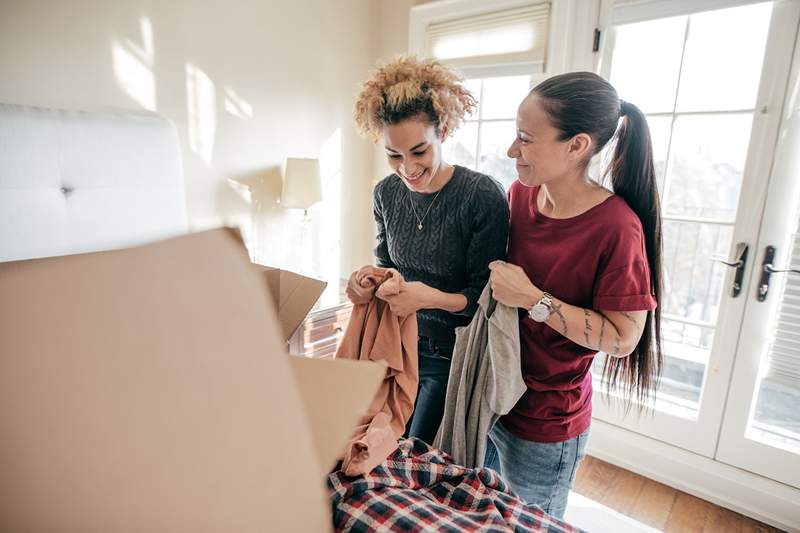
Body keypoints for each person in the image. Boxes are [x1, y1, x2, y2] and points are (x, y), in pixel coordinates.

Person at [485, 71, 663, 520]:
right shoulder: (519, 197)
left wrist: (533, 299)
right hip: (493, 397)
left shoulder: (617, 229)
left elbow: (624, 339)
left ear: (577, 145)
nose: (512, 151)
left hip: (546, 423)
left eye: (526, 139)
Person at [346, 56, 509, 445]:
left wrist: (426, 299)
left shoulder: (480, 196)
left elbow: (486, 302)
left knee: (415, 460)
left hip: (451, 358)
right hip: (394, 348)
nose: (407, 168)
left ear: (445, 130)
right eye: (394, 155)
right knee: (365, 450)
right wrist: (372, 281)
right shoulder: (385, 193)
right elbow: (388, 264)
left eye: (419, 152)